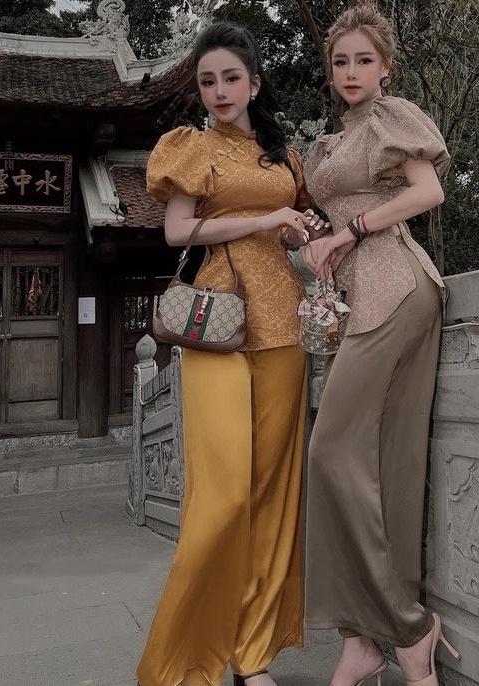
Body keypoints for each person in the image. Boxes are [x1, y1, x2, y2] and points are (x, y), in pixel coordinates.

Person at [136, 22, 327, 686]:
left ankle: (252, 655)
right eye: (208, 81)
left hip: (282, 327)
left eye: (231, 78)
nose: (219, 91)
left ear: (254, 83)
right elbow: (177, 230)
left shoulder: (286, 160)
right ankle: (184, 662)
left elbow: (298, 236)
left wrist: (304, 230)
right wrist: (265, 219)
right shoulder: (191, 149)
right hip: (214, 323)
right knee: (221, 496)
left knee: (273, 494)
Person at [301, 3, 460, 685]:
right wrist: (313, 236)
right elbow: (335, 213)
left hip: (397, 286)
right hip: (358, 298)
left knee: (330, 448)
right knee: (384, 461)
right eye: (340, 61)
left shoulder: (392, 118)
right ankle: (367, 639)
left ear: (386, 67)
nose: (351, 71)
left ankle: (409, 628)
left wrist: (351, 229)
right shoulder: (332, 142)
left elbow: (429, 191)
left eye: (364, 60)